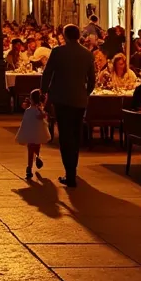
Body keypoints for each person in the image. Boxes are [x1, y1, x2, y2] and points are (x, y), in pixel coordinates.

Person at [40, 24, 97, 188]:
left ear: (65, 36)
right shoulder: (87, 54)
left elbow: (48, 73)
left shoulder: (58, 52)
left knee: (65, 136)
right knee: (75, 134)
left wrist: (44, 92)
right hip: (79, 100)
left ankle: (69, 172)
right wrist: (85, 93)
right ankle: (73, 169)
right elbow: (92, 80)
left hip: (62, 98)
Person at [15, 89, 51, 180]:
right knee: (37, 148)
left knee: (30, 151)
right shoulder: (39, 111)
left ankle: (29, 167)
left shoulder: (28, 111)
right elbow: (43, 121)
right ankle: (37, 158)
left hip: (30, 135)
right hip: (38, 135)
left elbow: (25, 123)